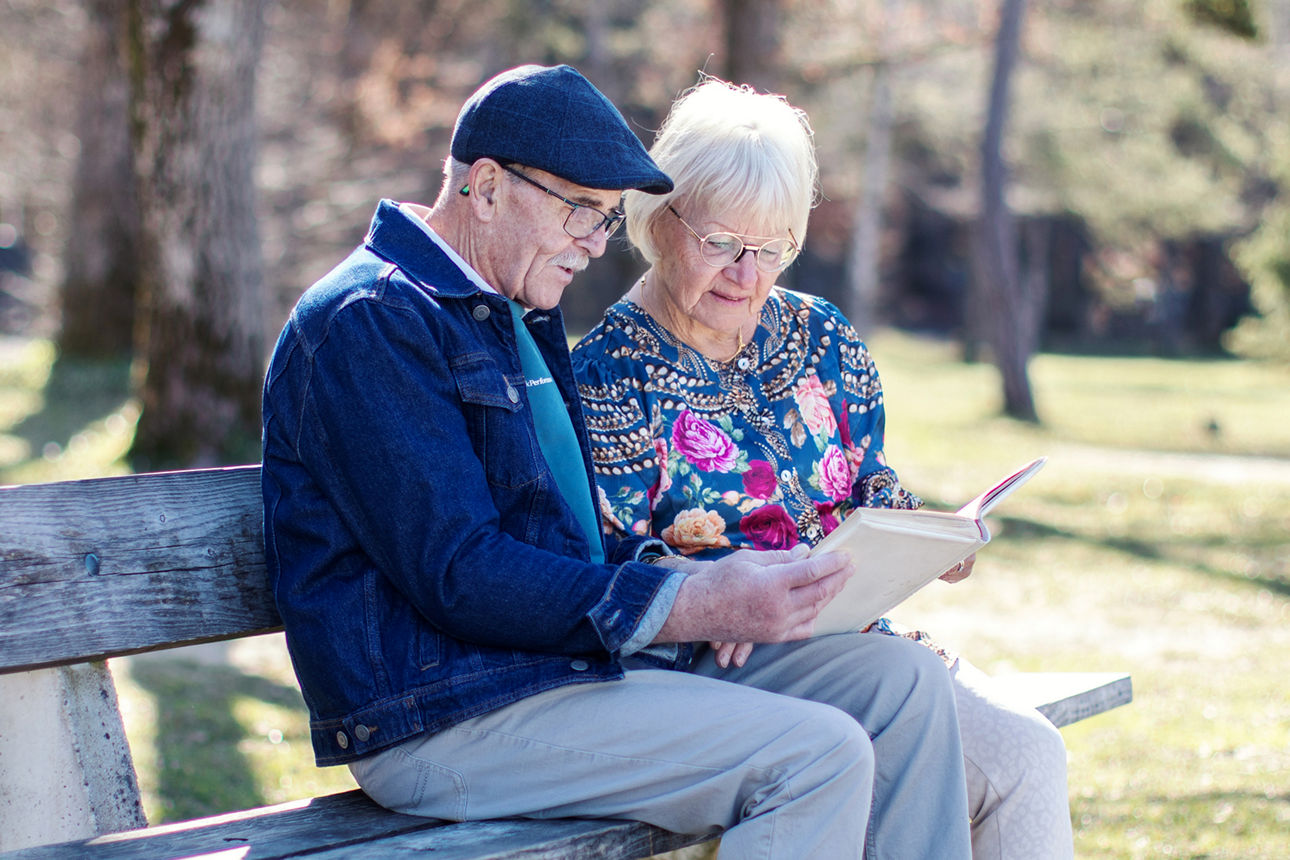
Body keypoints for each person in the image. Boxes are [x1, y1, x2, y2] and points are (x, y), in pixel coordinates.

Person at [261, 64, 972, 859]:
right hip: (448, 714)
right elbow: (461, 572)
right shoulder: (373, 321)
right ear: (487, 187)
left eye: (604, 221)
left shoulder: (512, 316)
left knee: (903, 686)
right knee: (815, 757)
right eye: (580, 214)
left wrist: (712, 576)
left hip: (560, 671)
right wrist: (696, 605)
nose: (595, 246)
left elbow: (574, 544)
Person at [571, 77, 1074, 860]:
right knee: (887, 742)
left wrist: (933, 537)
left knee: (1028, 756)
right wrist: (715, 591)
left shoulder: (821, 336)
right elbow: (606, 562)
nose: (749, 275)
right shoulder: (608, 373)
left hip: (861, 640)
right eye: (721, 244)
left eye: (773, 248)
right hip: (719, 674)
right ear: (658, 217)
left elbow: (867, 483)